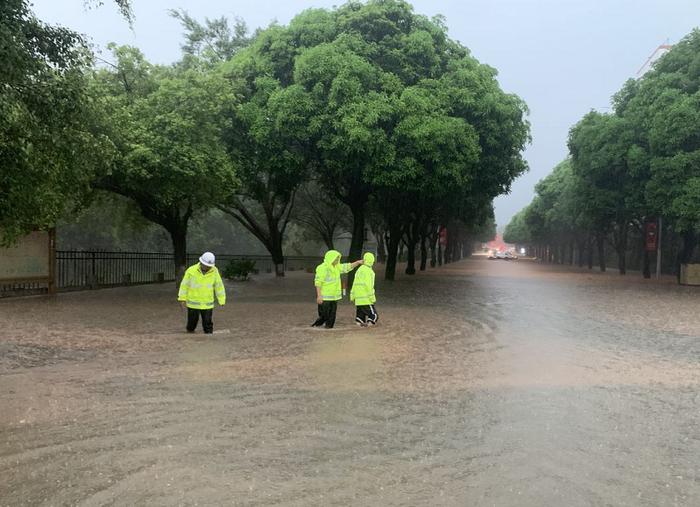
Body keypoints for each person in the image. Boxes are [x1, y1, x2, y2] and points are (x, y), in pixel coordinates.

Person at [312, 250, 363, 329]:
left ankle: (329, 328)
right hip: (325, 297)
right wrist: (319, 296)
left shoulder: (337, 267)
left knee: (332, 315)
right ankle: (316, 326)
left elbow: (347, 266)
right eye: (335, 259)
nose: (337, 260)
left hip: (334, 297)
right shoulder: (322, 268)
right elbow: (318, 283)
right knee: (324, 315)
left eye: (338, 259)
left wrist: (357, 263)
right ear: (330, 258)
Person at [178, 252, 226, 334]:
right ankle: (190, 333)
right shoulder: (191, 270)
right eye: (206, 265)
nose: (207, 267)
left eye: (209, 266)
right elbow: (184, 285)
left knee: (208, 322)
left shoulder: (214, 271)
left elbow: (219, 286)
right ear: (201, 262)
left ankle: (209, 336)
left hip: (207, 303)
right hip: (193, 302)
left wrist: (221, 299)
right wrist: (182, 298)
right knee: (192, 323)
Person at [350, 252, 378, 327]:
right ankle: (370, 324)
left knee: (360, 313)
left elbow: (354, 283)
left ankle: (359, 322)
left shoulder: (359, 270)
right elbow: (369, 286)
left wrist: (352, 295)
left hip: (358, 299)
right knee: (374, 315)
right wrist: (372, 297)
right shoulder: (370, 271)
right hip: (366, 298)